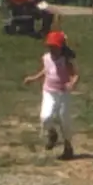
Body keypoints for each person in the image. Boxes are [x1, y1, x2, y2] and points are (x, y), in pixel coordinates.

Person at [23, 30, 78, 160]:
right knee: (45, 117)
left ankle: (68, 146)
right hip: (49, 92)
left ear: (61, 48)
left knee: (64, 120)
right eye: (50, 46)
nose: (52, 49)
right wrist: (34, 78)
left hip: (63, 94)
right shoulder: (46, 58)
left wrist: (72, 83)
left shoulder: (65, 60)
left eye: (55, 47)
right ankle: (52, 133)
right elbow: (46, 71)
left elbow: (75, 74)